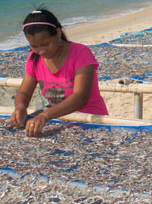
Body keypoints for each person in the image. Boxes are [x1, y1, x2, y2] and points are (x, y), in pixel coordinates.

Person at [8, 8, 108, 136]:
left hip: (91, 121)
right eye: (35, 46)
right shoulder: (34, 59)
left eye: (45, 44)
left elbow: (80, 97)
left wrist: (45, 115)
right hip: (58, 121)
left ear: (58, 33)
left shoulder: (81, 54)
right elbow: (24, 92)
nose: (41, 51)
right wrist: (20, 108)